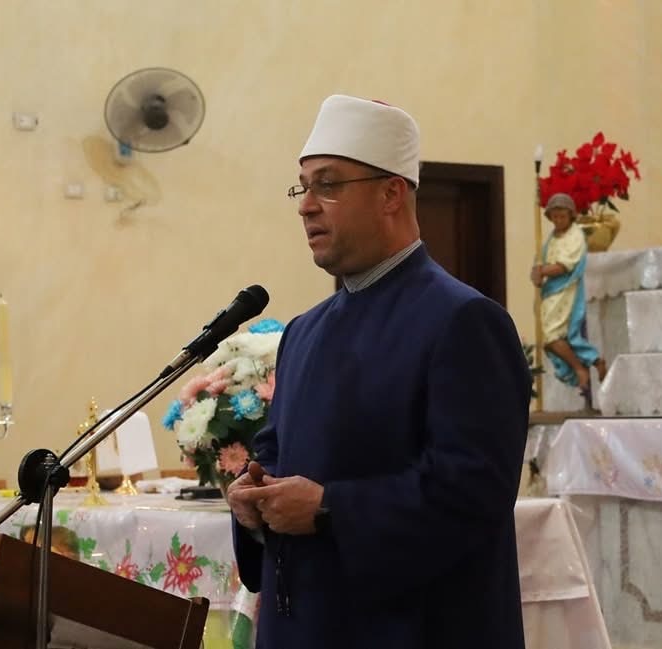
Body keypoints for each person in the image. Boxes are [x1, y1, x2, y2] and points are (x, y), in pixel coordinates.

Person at [226, 94, 532, 648]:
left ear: (391, 193)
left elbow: (472, 493)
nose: (306, 206)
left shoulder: (464, 321)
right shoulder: (303, 331)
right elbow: (275, 455)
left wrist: (327, 508)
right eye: (302, 187)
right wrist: (252, 500)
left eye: (327, 185)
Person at [531, 193, 606, 399]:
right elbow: (542, 263)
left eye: (562, 216)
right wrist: (537, 274)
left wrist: (543, 271)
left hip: (566, 290)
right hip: (551, 292)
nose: (558, 220)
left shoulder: (575, 236)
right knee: (549, 338)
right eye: (554, 217)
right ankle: (592, 363)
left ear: (570, 215)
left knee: (552, 336)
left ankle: (582, 368)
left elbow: (564, 266)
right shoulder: (552, 237)